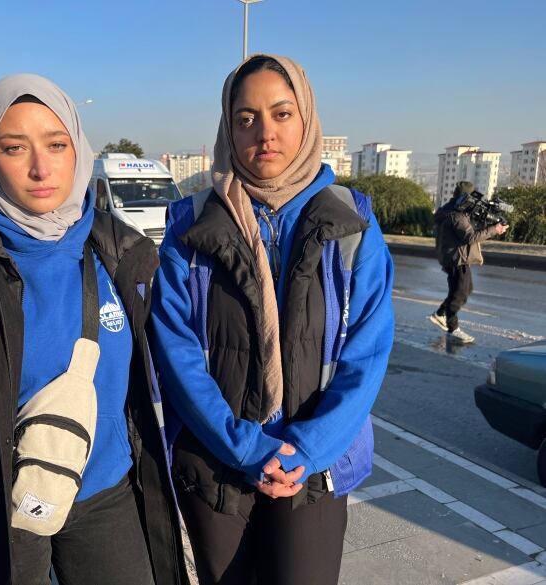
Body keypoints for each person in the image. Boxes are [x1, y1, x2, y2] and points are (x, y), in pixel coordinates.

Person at [0, 74, 187, 585]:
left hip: (107, 499)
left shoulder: (125, 256)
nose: (41, 167)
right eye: (15, 147)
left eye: (56, 144)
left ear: (78, 150)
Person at [150, 54, 394, 585]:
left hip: (316, 466)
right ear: (227, 128)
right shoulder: (191, 227)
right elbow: (177, 353)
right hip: (218, 465)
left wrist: (306, 449)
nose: (264, 132)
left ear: (306, 121)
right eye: (246, 118)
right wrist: (247, 448)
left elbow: (367, 353)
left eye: (281, 114)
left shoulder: (352, 223)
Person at [429, 181, 508, 344]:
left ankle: (441, 314)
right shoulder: (456, 215)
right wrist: (495, 230)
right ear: (466, 197)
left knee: (461, 290)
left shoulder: (454, 210)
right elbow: (470, 237)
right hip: (457, 258)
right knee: (460, 293)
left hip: (456, 257)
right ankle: (452, 326)